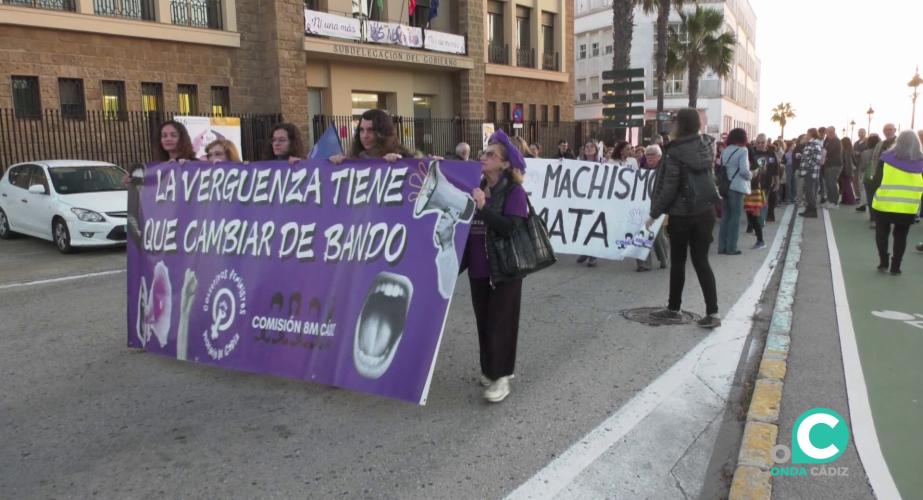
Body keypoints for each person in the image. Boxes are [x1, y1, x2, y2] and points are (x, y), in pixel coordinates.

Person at [462, 129, 530, 403]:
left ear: (504, 164)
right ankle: (490, 370)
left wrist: (483, 208)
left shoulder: (515, 192)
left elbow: (510, 228)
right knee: (484, 320)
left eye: (491, 154)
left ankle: (502, 377)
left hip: (505, 268)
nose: (484, 157)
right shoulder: (475, 185)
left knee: (501, 322)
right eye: (483, 153)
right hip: (479, 266)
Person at [646, 108, 721, 328]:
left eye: (675, 122)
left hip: (682, 213)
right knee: (701, 261)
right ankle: (713, 313)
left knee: (678, 262)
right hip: (705, 211)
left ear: (680, 125)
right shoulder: (708, 145)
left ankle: (673, 309)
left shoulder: (675, 152)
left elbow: (669, 188)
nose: (672, 125)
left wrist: (654, 214)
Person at [871, 130, 923, 275]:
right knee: (901, 236)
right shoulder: (920, 162)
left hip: (884, 203)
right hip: (908, 206)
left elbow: (877, 180)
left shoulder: (886, 158)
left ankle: (883, 262)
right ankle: (896, 266)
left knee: (882, 232)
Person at [330, 109, 415, 164]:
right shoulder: (353, 159)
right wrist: (337, 165)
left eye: (370, 130)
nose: (365, 136)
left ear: (383, 133)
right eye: (361, 130)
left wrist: (400, 162)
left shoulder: (403, 156)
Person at [717, 128, 751, 255]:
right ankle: (731, 247)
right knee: (735, 218)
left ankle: (722, 247)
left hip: (725, 187)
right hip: (736, 187)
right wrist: (752, 175)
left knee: (725, 216)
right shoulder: (743, 150)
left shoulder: (725, 151)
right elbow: (744, 171)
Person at [636, 144, 669, 271]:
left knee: (658, 235)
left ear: (659, 156)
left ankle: (664, 258)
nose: (649, 157)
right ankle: (643, 264)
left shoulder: (665, 171)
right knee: (641, 233)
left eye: (652, 154)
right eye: (647, 154)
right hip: (641, 207)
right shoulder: (641, 171)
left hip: (659, 207)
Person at [576, 140, 603, 267]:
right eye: (586, 146)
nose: (589, 148)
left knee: (594, 227)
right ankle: (585, 251)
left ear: (596, 149)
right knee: (583, 225)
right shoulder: (578, 162)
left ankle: (593, 255)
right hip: (582, 199)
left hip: (597, 199)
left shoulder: (602, 162)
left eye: (592, 146)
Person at [751, 134, 780, 222]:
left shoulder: (771, 154)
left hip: (767, 182)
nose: (760, 144)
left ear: (766, 143)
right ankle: (755, 220)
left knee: (767, 201)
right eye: (758, 142)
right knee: (754, 203)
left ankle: (765, 218)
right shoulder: (751, 153)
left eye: (762, 142)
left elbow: (776, 169)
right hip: (753, 183)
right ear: (755, 143)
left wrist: (777, 182)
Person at [799, 128, 824, 218]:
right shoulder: (810, 144)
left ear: (810, 134)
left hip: (811, 172)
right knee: (808, 192)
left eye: (807, 133)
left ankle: (813, 211)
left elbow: (816, 158)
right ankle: (809, 209)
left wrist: (808, 168)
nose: (806, 135)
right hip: (808, 172)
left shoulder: (815, 144)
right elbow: (809, 157)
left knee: (810, 192)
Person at [743, 165, 766, 249]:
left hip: (755, 197)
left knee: (755, 220)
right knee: (752, 220)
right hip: (750, 196)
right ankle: (760, 240)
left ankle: (761, 241)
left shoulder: (755, 171)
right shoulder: (753, 170)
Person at [822, 127, 843, 208]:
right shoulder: (828, 140)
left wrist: (824, 154)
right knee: (828, 183)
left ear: (832, 132)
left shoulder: (836, 140)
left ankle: (835, 202)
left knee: (832, 183)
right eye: (826, 132)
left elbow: (827, 150)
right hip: (828, 165)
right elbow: (824, 149)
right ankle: (830, 200)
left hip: (834, 165)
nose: (826, 134)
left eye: (827, 132)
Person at [839, 137, 857, 205]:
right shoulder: (851, 150)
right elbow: (854, 161)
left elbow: (844, 161)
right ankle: (846, 200)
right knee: (846, 185)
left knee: (846, 186)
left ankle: (850, 200)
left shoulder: (844, 151)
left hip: (845, 170)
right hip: (849, 170)